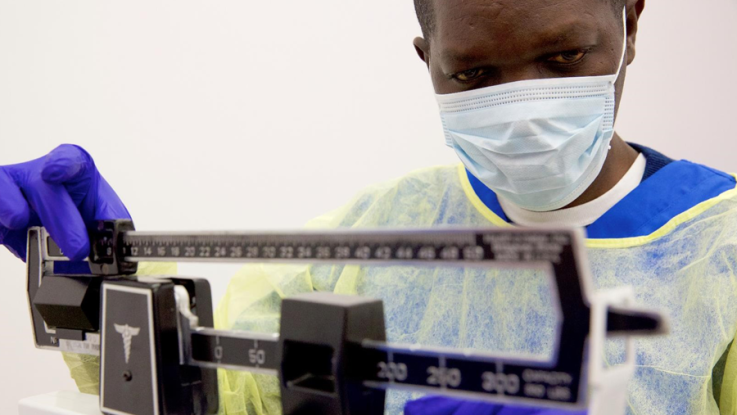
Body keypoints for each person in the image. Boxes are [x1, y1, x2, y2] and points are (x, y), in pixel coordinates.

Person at [2, 0, 737, 414]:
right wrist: (113, 305)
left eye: (562, 58)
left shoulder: (722, 249)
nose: (521, 107)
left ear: (631, 24)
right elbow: (230, 400)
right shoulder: (363, 235)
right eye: (474, 72)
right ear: (428, 62)